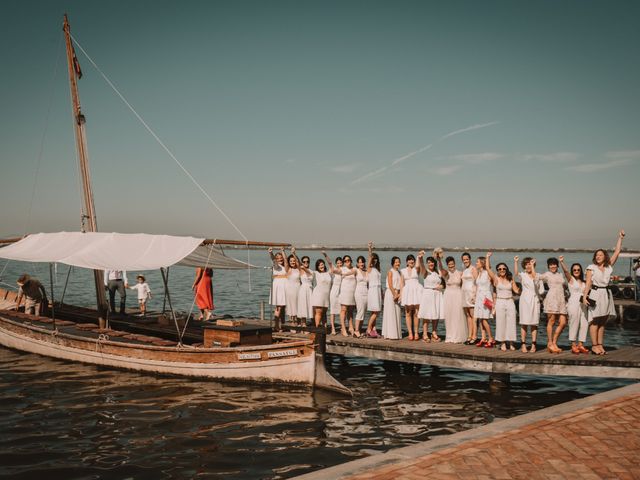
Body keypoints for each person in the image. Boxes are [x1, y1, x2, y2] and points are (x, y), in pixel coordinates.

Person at [583, 230, 625, 355]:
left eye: (600, 255)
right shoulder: (591, 267)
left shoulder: (608, 267)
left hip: (606, 294)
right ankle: (594, 346)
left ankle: (600, 345)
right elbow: (588, 283)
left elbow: (617, 252)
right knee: (595, 320)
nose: (598, 256)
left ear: (604, 256)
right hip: (595, 294)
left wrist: (620, 238)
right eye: (596, 255)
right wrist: (585, 296)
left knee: (603, 321)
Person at [486, 254, 520, 351]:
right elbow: (488, 268)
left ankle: (511, 343)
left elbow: (516, 291)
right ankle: (503, 342)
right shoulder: (496, 279)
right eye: (500, 269)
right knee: (501, 323)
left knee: (511, 322)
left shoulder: (510, 279)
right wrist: (488, 257)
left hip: (510, 302)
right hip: (500, 302)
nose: (502, 270)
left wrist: (516, 262)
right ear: (497, 270)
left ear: (506, 269)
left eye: (504, 269)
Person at [560, 257, 589, 354]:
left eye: (578, 270)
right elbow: (566, 271)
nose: (576, 271)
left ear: (581, 271)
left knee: (584, 323)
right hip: (573, 303)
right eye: (574, 270)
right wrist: (561, 262)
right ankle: (573, 345)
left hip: (583, 304)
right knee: (574, 323)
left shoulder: (584, 282)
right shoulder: (571, 279)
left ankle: (580, 344)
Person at [514, 256, 543, 353]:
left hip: (535, 300)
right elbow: (516, 273)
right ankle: (523, 345)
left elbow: (535, 279)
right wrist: (516, 262)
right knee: (524, 323)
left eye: (529, 264)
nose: (528, 266)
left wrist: (533, 266)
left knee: (534, 323)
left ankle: (533, 345)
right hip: (525, 300)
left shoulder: (538, 275)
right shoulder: (523, 275)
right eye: (526, 264)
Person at [539, 257, 568, 353]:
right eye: (551, 264)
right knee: (551, 321)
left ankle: (554, 341)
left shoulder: (560, 274)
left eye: (554, 264)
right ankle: (550, 343)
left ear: (557, 265)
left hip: (561, 300)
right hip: (552, 299)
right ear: (548, 266)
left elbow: (565, 279)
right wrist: (531, 265)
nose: (553, 266)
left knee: (563, 322)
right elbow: (536, 277)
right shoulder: (547, 274)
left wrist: (562, 261)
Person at [439, 254, 467, 343]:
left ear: (455, 263)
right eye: (449, 264)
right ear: (447, 265)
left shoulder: (460, 273)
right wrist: (439, 260)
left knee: (458, 315)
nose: (451, 266)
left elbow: (463, 286)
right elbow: (441, 269)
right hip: (448, 296)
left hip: (458, 295)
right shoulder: (446, 273)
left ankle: (458, 336)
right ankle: (450, 336)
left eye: (452, 264)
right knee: (449, 316)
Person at [417, 251, 443, 342]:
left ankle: (434, 332)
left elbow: (443, 283)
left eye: (432, 262)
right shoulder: (425, 272)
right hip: (428, 295)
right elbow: (422, 266)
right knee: (427, 315)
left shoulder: (437, 272)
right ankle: (425, 333)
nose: (430, 264)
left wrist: (441, 287)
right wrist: (420, 258)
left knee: (436, 314)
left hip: (437, 295)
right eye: (428, 262)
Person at [473, 256, 494, 348]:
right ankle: (483, 338)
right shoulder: (479, 273)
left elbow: (489, 267)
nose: (476, 263)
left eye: (477, 262)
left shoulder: (487, 273)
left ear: (482, 263)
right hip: (479, 297)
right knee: (481, 319)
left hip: (486, 297)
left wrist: (487, 257)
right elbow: (478, 286)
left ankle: (491, 338)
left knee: (485, 319)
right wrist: (475, 296)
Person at [400, 254, 422, 341]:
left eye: (412, 260)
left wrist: (418, 257)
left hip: (416, 291)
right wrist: (401, 295)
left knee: (416, 313)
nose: (411, 261)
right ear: (406, 262)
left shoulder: (416, 269)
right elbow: (402, 283)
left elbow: (418, 265)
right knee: (408, 313)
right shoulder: (403, 271)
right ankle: (410, 333)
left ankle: (416, 332)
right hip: (407, 292)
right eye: (409, 260)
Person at [382, 256, 403, 339]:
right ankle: (390, 334)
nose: (398, 263)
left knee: (397, 313)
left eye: (398, 262)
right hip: (391, 293)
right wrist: (394, 294)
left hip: (397, 293)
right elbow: (390, 284)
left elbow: (401, 284)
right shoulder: (390, 272)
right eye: (396, 262)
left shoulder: (400, 272)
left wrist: (399, 294)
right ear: (393, 263)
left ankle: (396, 333)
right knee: (390, 313)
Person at [268, 247, 287, 331]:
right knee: (278, 307)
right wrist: (271, 253)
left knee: (283, 307)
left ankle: (282, 324)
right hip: (278, 287)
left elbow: (286, 260)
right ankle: (276, 325)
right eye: (278, 258)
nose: (280, 259)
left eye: (281, 258)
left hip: (284, 287)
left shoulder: (285, 266)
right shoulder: (276, 266)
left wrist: (283, 251)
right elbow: (273, 260)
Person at [338, 255, 358, 337]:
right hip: (345, 292)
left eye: (348, 260)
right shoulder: (342, 269)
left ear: (351, 261)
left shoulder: (355, 269)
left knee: (350, 311)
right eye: (345, 260)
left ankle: (350, 327)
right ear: (343, 262)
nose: (347, 261)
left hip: (352, 292)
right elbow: (333, 271)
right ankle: (343, 328)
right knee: (344, 309)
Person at [311, 254, 333, 328]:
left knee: (324, 313)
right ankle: (317, 329)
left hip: (326, 296)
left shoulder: (328, 273)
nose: (321, 266)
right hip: (318, 295)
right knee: (319, 312)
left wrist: (326, 255)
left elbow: (330, 264)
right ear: (317, 267)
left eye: (322, 264)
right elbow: (305, 270)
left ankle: (324, 328)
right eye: (319, 265)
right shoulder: (316, 273)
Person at [366, 242, 382, 338]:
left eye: (376, 259)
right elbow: (369, 257)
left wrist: (382, 292)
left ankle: (373, 329)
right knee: (376, 311)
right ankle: (368, 329)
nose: (374, 260)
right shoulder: (370, 268)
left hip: (378, 290)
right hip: (373, 291)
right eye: (373, 259)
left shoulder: (377, 269)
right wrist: (370, 249)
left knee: (374, 312)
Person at [461, 252, 477, 345]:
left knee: (473, 316)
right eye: (464, 260)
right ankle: (469, 335)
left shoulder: (473, 269)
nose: (465, 261)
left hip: (471, 294)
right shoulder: (464, 270)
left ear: (470, 259)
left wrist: (474, 295)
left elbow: (476, 282)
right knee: (468, 316)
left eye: (467, 259)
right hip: (464, 294)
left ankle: (474, 336)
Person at [285, 248, 302, 326]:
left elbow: (298, 262)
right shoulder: (288, 269)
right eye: (291, 261)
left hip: (298, 289)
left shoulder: (299, 269)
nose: (292, 262)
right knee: (291, 305)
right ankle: (292, 322)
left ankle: (298, 322)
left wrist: (294, 253)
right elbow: (285, 260)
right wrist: (283, 251)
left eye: (293, 260)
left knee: (298, 305)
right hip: (290, 290)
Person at [353, 255, 369, 337]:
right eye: (359, 262)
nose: (361, 264)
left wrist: (370, 249)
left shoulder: (366, 271)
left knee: (364, 312)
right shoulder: (356, 270)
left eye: (362, 262)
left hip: (366, 293)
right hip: (358, 292)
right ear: (357, 263)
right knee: (360, 311)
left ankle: (359, 329)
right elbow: (348, 273)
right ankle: (356, 330)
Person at [296, 255, 314, 326]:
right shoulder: (300, 270)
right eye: (304, 262)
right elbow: (297, 261)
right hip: (303, 289)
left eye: (307, 261)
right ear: (302, 263)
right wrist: (294, 253)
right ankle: (303, 323)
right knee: (303, 305)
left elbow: (310, 277)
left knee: (311, 306)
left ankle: (313, 323)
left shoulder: (312, 271)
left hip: (310, 290)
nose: (306, 263)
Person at [328, 256, 343, 335]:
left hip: (342, 292)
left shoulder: (344, 270)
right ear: (336, 264)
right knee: (333, 311)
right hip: (334, 291)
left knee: (342, 311)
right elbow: (330, 263)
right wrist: (326, 255)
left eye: (340, 263)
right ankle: (333, 328)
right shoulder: (334, 270)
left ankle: (342, 327)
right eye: (338, 263)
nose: (339, 264)